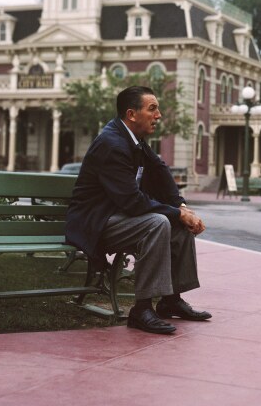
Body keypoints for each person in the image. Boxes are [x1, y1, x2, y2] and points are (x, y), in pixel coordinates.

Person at [65, 86, 211, 334]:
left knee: (177, 224)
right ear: (132, 114)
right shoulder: (112, 144)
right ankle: (141, 309)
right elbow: (132, 201)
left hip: (116, 216)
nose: (159, 115)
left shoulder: (134, 139)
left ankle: (170, 300)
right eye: (152, 109)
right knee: (157, 223)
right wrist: (176, 213)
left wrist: (181, 206)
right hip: (96, 222)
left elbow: (160, 170)